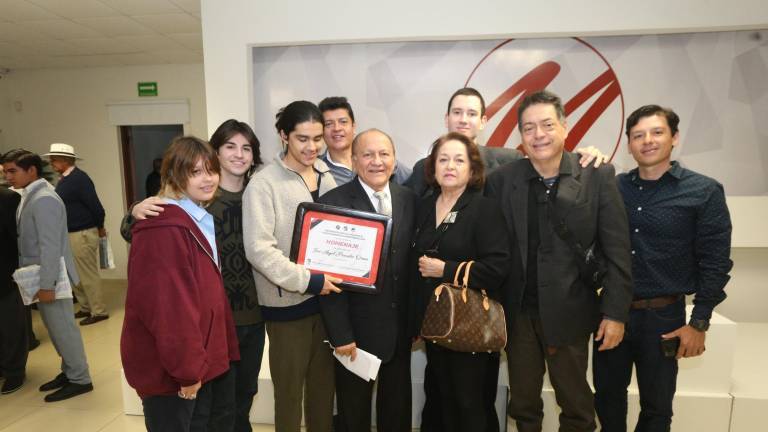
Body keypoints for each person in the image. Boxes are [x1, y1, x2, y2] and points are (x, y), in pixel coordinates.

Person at [485, 90, 633, 432]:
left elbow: (617, 250)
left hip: (571, 311)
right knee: (523, 405)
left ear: (565, 127)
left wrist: (615, 314)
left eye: (547, 125)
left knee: (577, 406)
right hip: (518, 315)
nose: (539, 134)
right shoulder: (502, 181)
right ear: (521, 135)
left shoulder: (595, 175)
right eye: (529, 128)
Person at [593, 105, 733, 432]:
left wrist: (699, 323)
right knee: (606, 400)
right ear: (629, 144)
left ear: (674, 137)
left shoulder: (703, 191)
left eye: (657, 132)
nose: (648, 141)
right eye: (638, 135)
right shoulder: (613, 188)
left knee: (657, 408)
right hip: (611, 312)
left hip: (664, 317)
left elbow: (715, 261)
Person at [122, 119, 266, 432]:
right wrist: (187, 371)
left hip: (210, 349)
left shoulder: (199, 215)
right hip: (180, 364)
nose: (207, 179)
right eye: (196, 172)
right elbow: (169, 308)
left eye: (210, 171)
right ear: (175, 175)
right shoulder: (164, 225)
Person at [242, 100, 341, 432]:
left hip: (327, 303)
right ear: (284, 136)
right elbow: (259, 250)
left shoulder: (328, 178)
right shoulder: (263, 183)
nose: (312, 147)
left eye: (317, 138)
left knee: (323, 394)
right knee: (289, 396)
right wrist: (307, 280)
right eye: (302, 138)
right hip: (287, 307)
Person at [410, 132, 511, 432]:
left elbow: (497, 268)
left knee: (470, 405)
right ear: (433, 167)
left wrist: (446, 269)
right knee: (438, 401)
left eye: (458, 160)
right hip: (434, 326)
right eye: (443, 160)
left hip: (471, 327)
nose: (450, 166)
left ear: (472, 168)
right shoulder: (424, 207)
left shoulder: (485, 209)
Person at [318, 128, 417, 432]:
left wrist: (414, 322)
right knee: (354, 414)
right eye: (368, 154)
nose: (377, 161)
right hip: (355, 334)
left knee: (396, 411)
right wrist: (340, 334)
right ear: (354, 159)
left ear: (394, 159)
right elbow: (328, 279)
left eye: (384, 154)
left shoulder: (409, 199)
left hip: (400, 331)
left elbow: (409, 266)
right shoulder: (333, 202)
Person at [2, 149, 93, 403]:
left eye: (13, 171)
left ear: (31, 170)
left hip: (51, 277)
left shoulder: (43, 199)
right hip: (41, 275)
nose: (8, 176)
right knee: (56, 329)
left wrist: (47, 284)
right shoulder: (32, 195)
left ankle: (80, 379)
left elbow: (50, 247)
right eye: (5, 172)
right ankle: (70, 371)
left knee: (63, 330)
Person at [44, 143, 108, 325]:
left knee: (87, 274)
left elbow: (96, 206)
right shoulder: (66, 179)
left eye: (54, 160)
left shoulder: (79, 178)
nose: (51, 163)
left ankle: (99, 311)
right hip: (72, 233)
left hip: (82, 232)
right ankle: (86, 307)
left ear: (64, 160)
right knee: (76, 274)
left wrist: (100, 226)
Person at [319, 96, 412, 185]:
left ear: (353, 126)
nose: (337, 128)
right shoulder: (318, 170)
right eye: (328, 124)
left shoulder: (378, 158)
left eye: (343, 122)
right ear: (320, 130)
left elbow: (413, 182)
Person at [0, 184, 28, 394]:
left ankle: (15, 371)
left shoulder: (8, 198)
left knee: (10, 324)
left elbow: (17, 238)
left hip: (5, 272)